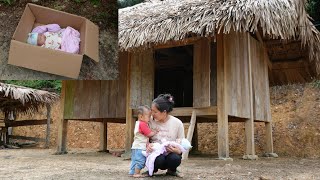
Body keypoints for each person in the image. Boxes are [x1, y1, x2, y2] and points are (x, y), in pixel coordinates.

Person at [147, 94, 185, 177]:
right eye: (151, 110)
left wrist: (176, 150)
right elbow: (142, 138)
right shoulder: (149, 121)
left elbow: (181, 146)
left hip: (170, 154)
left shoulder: (177, 123)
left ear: (164, 112)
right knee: (158, 159)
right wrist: (147, 146)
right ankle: (152, 169)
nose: (152, 114)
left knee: (175, 158)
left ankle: (172, 170)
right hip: (155, 153)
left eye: (155, 112)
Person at [129, 105, 158, 178]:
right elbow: (148, 134)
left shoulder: (138, 123)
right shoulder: (143, 124)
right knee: (141, 160)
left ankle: (132, 172)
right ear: (141, 117)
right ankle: (136, 173)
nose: (150, 118)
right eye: (148, 116)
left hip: (135, 146)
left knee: (134, 160)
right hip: (140, 147)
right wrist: (154, 132)